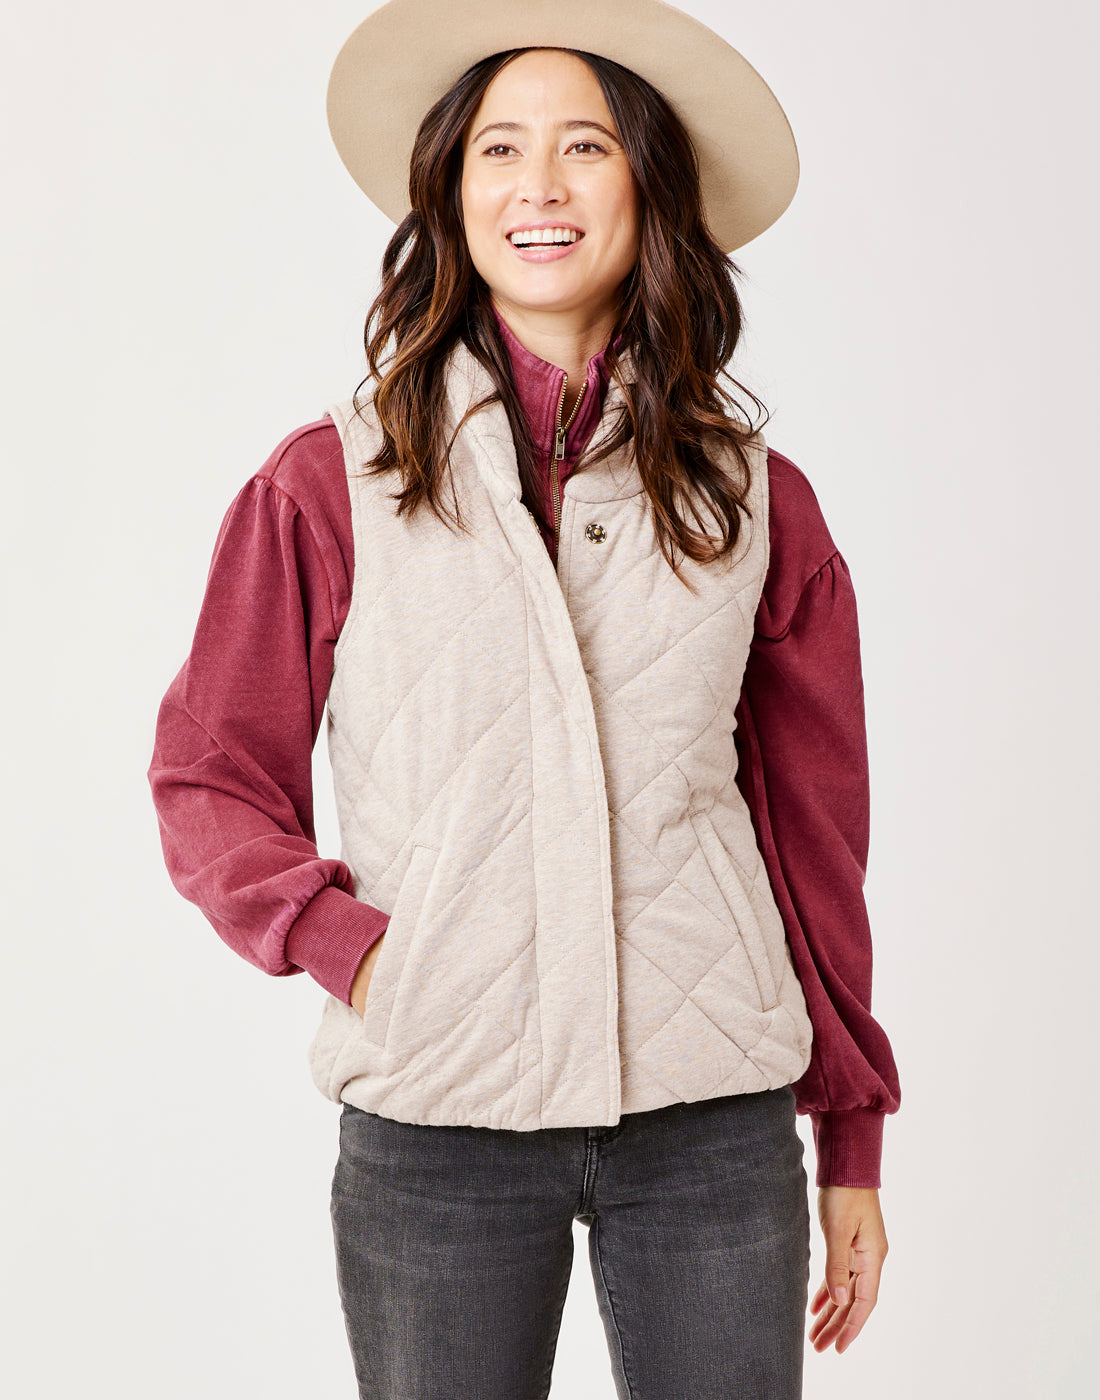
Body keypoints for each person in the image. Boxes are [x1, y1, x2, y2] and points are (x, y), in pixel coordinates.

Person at [148, 2, 901, 1395]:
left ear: (649, 186)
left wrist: (850, 1129)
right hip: (437, 1116)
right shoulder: (329, 482)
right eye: (499, 148)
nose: (537, 184)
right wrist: (357, 951)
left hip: (710, 1116)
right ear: (451, 189)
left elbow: (818, 839)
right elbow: (209, 775)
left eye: (584, 146)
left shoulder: (757, 502)